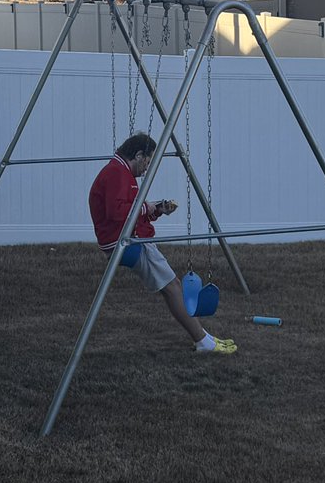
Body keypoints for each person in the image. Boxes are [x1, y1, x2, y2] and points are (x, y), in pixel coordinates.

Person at [89, 132, 237, 354]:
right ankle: (202, 341)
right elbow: (116, 212)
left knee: (172, 286)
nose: (147, 169)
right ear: (139, 155)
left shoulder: (118, 170)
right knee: (173, 288)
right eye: (147, 162)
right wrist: (145, 208)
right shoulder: (117, 173)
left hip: (126, 238)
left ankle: (203, 337)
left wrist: (155, 209)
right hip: (126, 243)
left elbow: (129, 210)